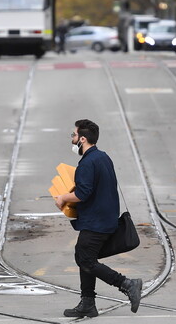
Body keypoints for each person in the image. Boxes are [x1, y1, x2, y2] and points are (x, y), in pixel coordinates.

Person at [55, 119, 143, 318]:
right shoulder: (103, 157)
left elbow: (83, 193)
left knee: (85, 258)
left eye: (74, 135)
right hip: (106, 218)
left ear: (83, 139)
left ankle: (128, 284)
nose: (72, 139)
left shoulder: (87, 163)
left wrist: (63, 197)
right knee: (85, 257)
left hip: (95, 221)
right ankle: (87, 303)